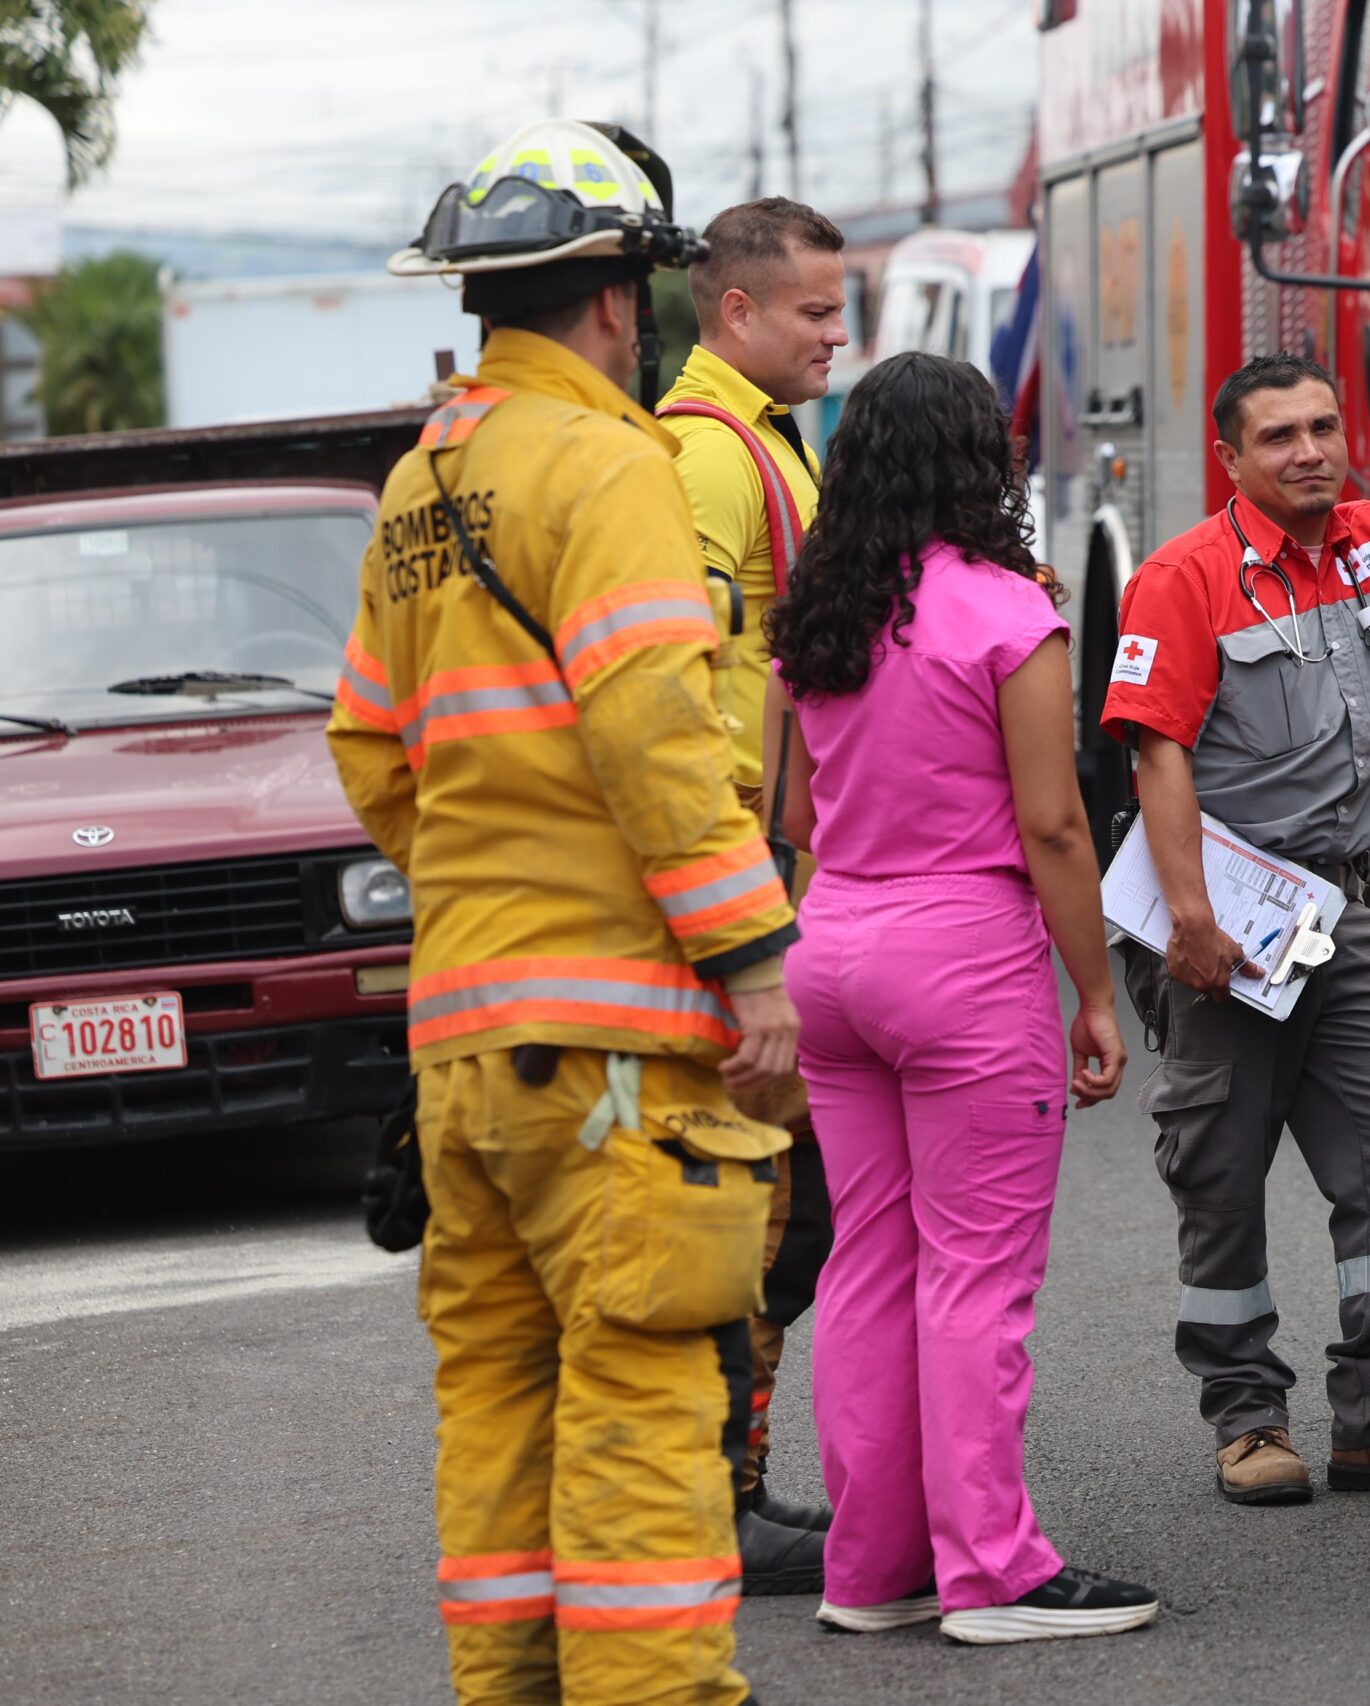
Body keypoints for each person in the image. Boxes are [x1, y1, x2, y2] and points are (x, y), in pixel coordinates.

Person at [328, 120, 800, 1706]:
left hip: (464, 1051)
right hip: (614, 1048)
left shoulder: (420, 482)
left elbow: (369, 749)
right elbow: (659, 733)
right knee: (645, 1417)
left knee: (499, 1416)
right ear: (618, 300)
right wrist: (754, 960)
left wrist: (493, 888)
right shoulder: (609, 467)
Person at [763, 350, 1159, 1645]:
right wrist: (1095, 993)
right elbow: (1053, 824)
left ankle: (874, 1566)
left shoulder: (815, 613)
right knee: (977, 1274)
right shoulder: (1006, 608)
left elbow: (789, 814)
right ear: (980, 459)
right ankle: (993, 1568)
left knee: (870, 1264)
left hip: (833, 951)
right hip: (963, 960)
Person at [1101, 354, 1370, 1505]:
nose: (1307, 451)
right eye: (1277, 436)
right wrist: (1192, 922)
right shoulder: (1184, 576)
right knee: (1219, 1164)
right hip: (1226, 919)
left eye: (1321, 426)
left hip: (1335, 912)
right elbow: (1157, 752)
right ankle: (1247, 1415)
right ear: (1230, 458)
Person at [657, 195, 852, 1593]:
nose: (837, 335)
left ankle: (732, 1476)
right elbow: (677, 687)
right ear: (735, 311)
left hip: (777, 871)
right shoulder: (708, 457)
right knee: (761, 1203)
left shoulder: (771, 439)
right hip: (742, 878)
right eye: (814, 312)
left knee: (793, 1202)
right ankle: (716, 1492)